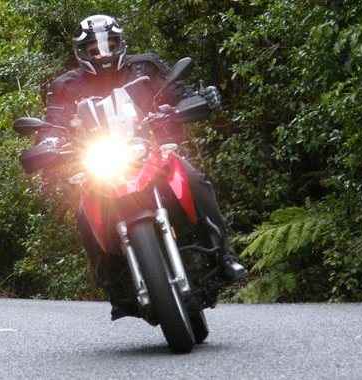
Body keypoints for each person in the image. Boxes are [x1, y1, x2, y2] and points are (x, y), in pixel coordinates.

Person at [38, 14, 245, 319]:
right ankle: (111, 281)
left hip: (155, 151)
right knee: (84, 214)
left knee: (194, 179)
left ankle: (224, 255)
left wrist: (197, 100)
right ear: (82, 53)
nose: (104, 53)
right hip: (102, 163)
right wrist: (48, 144)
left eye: (109, 45)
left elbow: (179, 93)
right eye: (95, 49)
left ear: (121, 43)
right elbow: (52, 125)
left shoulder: (145, 67)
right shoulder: (66, 86)